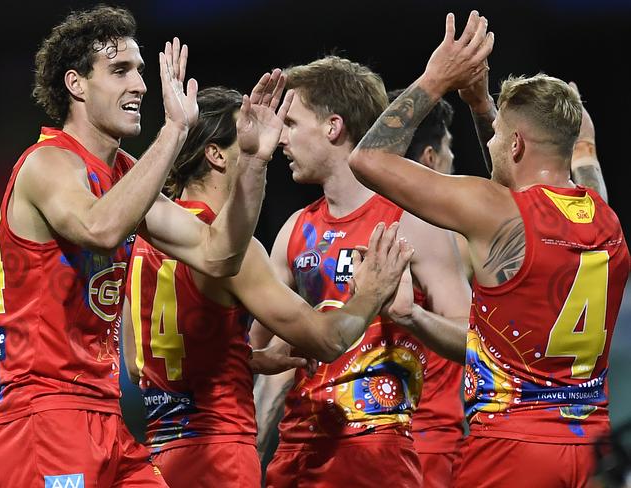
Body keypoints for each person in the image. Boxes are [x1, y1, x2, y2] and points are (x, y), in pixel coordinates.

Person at [0, 5, 289, 487]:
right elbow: (100, 229)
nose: (141, 86)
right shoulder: (47, 163)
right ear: (76, 84)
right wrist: (175, 131)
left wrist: (254, 162)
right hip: (43, 413)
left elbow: (219, 254)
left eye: (141, 71)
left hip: (107, 415)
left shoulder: (126, 175)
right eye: (120, 71)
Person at [349, 10, 630, 487]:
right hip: (592, 450)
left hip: (510, 450)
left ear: (516, 144)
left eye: (500, 134)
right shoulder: (605, 215)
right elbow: (565, 164)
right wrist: (482, 108)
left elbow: (367, 159)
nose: (493, 138)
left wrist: (437, 78)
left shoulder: (493, 208)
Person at [121, 86, 414, 488]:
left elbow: (139, 362)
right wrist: (371, 291)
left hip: (158, 457)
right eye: (249, 133)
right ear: (217, 153)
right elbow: (328, 340)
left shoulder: (143, 241)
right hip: (219, 456)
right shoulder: (235, 253)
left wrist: (246, 356)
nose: (271, 143)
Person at [252, 55, 472, 487]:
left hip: (378, 452)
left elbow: (476, 340)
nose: (282, 139)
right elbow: (264, 352)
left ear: (333, 126)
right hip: (297, 452)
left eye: (292, 124)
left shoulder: (410, 223)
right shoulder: (295, 231)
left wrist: (412, 317)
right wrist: (254, 454)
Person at [386, 90, 466, 487]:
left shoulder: (337, 232)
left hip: (362, 438)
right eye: (450, 150)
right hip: (430, 443)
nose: (455, 162)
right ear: (430, 160)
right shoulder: (457, 235)